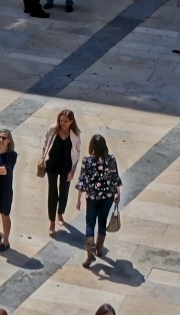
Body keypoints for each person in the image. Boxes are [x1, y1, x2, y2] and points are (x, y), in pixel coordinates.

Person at [75, 135, 121, 268]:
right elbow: (115, 177)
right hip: (108, 197)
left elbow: (82, 180)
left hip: (92, 197)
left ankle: (90, 253)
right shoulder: (111, 159)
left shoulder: (87, 161)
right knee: (102, 221)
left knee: (90, 223)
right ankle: (99, 249)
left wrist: (78, 199)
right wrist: (118, 194)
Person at [40, 109, 80, 234]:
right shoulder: (53, 129)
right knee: (52, 192)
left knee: (64, 191)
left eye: (66, 121)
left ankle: (60, 213)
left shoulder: (75, 134)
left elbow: (77, 153)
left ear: (71, 122)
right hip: (52, 164)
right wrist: (42, 158)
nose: (62, 123)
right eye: (61, 120)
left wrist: (73, 170)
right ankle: (51, 221)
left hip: (66, 166)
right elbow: (45, 143)